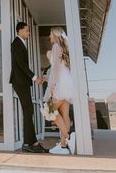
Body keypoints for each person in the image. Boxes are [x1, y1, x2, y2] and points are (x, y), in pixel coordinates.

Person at [9, 22, 47, 154]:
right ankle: (28, 143)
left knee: (28, 111)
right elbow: (21, 64)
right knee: (28, 110)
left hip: (22, 82)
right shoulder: (16, 43)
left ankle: (32, 142)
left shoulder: (21, 43)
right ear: (19, 31)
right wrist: (35, 77)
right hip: (19, 82)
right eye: (27, 30)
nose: (29, 33)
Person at [44, 27, 74, 155]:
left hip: (59, 83)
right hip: (67, 82)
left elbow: (55, 68)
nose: (49, 36)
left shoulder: (56, 46)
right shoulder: (65, 48)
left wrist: (51, 86)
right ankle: (63, 146)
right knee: (64, 114)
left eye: (50, 34)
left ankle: (67, 137)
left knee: (49, 110)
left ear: (55, 35)